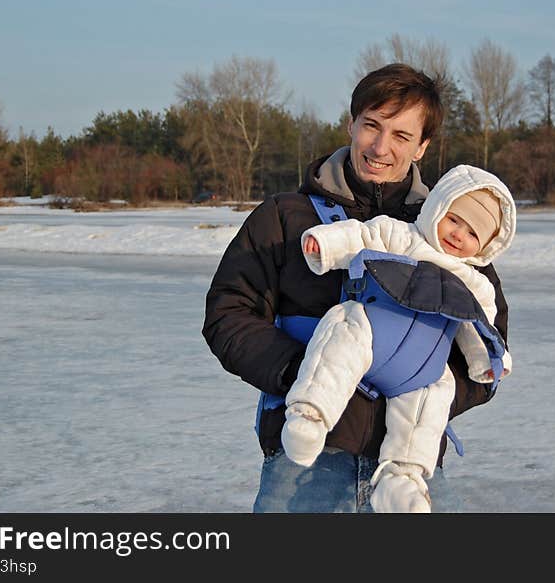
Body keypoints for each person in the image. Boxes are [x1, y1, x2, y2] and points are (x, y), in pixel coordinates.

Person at [202, 63, 511, 513]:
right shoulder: (286, 219)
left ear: (422, 146)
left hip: (410, 473)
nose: (381, 147)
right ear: (351, 123)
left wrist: (424, 386)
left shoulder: (452, 235)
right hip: (306, 469)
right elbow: (228, 314)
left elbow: (490, 348)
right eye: (372, 126)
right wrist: (303, 373)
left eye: (402, 136)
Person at [282, 164, 516, 512]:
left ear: (485, 246)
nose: (458, 234)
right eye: (454, 219)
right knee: (341, 329)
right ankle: (310, 415)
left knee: (436, 392)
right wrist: (326, 245)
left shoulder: (475, 283)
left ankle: (401, 477)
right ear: (437, 206)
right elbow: (360, 236)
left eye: (472, 233)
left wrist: (489, 362)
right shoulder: (401, 235)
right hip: (373, 331)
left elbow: (479, 326)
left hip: (421, 364)